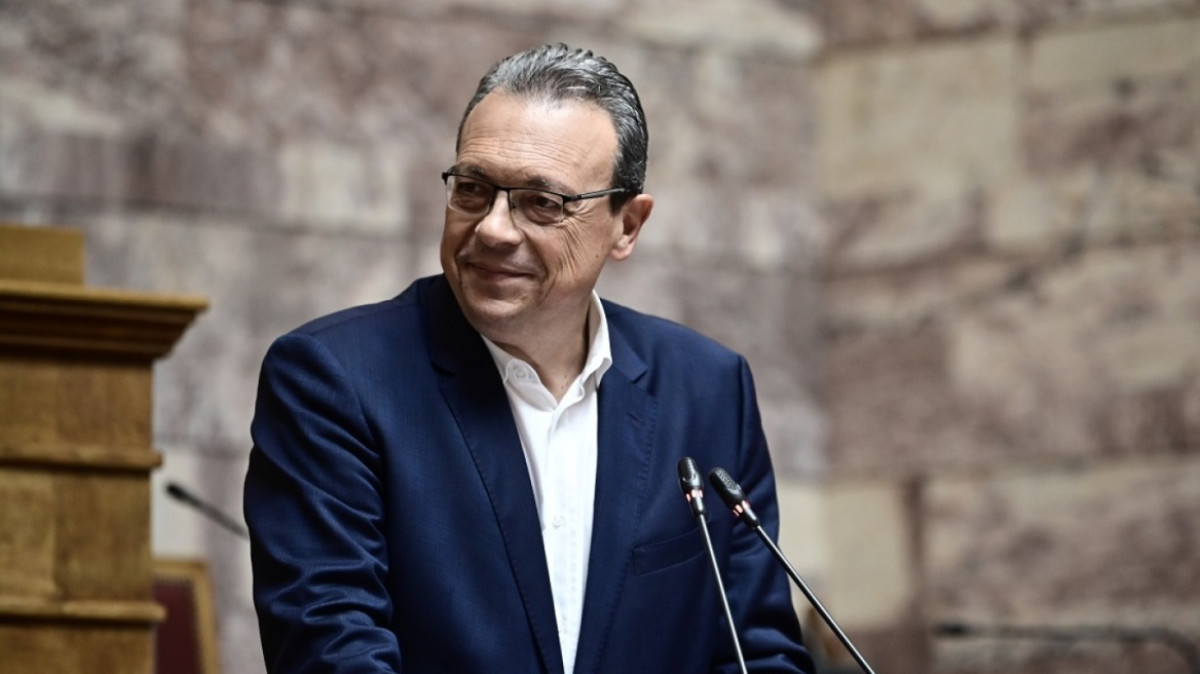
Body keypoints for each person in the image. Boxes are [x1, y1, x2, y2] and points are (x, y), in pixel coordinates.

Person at [244, 43, 814, 674]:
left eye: (543, 202)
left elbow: (756, 651)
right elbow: (332, 650)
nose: (493, 228)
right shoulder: (334, 380)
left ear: (627, 225)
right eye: (473, 189)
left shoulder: (708, 390)